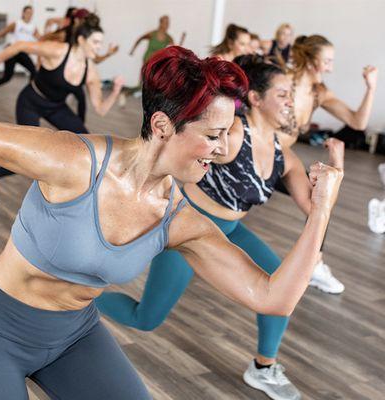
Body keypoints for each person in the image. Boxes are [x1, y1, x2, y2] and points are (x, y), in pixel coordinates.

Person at [0, 45, 342, 400]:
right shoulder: (76, 161)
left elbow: (274, 298)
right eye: (212, 135)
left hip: (75, 336)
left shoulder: (180, 220)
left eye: (227, 134)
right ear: (163, 125)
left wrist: (319, 211)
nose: (224, 150)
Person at [96, 55, 345, 400]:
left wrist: (336, 170)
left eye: (292, 94)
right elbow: (176, 142)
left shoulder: (281, 156)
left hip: (230, 229)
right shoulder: (231, 132)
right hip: (189, 228)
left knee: (281, 282)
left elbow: (315, 207)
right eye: (284, 94)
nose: (292, 101)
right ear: (256, 99)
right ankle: (85, 302)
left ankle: (263, 367)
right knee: (146, 319)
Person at [0, 14, 124, 206]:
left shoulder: (91, 71)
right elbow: (20, 45)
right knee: (28, 154)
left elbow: (100, 108)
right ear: (81, 40)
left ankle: (74, 192)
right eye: (95, 42)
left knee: (87, 145)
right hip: (31, 101)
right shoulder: (58, 51)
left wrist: (115, 91)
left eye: (100, 43)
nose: (99, 47)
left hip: (56, 107)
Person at [278, 34, 378, 293]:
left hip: (283, 159)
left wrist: (371, 88)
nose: (331, 67)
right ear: (311, 60)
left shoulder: (318, 92)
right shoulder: (283, 82)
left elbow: (357, 123)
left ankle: (313, 266)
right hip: (260, 152)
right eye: (327, 61)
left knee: (318, 204)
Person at [0, 5, 40, 102]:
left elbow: (40, 38)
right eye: (27, 12)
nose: (29, 15)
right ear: (23, 13)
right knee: (7, 77)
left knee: (33, 71)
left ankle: (31, 95)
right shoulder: (17, 24)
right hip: (11, 51)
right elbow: (3, 32)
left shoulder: (33, 27)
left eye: (31, 13)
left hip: (22, 52)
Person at [125, 15, 185, 97]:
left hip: (157, 61)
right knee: (144, 81)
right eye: (165, 23)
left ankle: (137, 93)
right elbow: (140, 38)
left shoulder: (168, 38)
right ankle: (127, 93)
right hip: (147, 59)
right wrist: (133, 50)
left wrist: (181, 43)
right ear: (160, 23)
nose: (167, 25)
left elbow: (175, 49)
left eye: (168, 23)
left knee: (154, 80)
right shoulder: (152, 34)